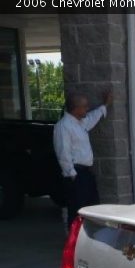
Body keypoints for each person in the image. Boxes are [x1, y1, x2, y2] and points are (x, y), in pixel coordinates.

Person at [53, 89, 112, 226]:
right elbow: (63, 152)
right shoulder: (63, 126)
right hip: (76, 174)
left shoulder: (81, 122)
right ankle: (74, 243)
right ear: (75, 108)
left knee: (92, 208)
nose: (87, 108)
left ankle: (89, 240)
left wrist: (106, 105)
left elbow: (93, 117)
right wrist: (72, 174)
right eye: (84, 106)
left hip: (86, 173)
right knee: (76, 211)